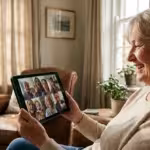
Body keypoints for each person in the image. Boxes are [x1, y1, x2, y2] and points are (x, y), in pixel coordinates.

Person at [6, 8, 150, 150]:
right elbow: (109, 138)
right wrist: (77, 116)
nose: (129, 57)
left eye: (137, 45)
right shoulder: (141, 93)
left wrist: (43, 141)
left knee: (18, 147)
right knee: (18, 144)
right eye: (130, 45)